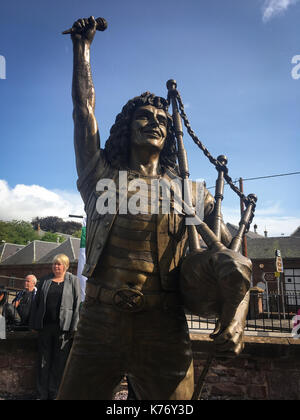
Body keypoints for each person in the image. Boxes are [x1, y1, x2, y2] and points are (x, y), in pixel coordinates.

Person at [57, 17, 251, 400]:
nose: (156, 124)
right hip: (99, 323)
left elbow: (234, 263)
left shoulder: (191, 192)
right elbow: (84, 112)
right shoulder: (100, 175)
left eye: (163, 120)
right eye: (144, 117)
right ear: (127, 128)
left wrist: (237, 320)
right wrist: (83, 50)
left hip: (164, 327)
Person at [30, 254, 80, 400]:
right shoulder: (45, 280)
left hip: (63, 328)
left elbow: (77, 304)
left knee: (59, 363)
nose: (56, 267)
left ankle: (55, 394)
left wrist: (74, 326)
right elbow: (36, 303)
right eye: (54, 264)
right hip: (45, 327)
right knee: (43, 362)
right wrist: (33, 323)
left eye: (59, 264)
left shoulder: (73, 281)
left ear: (65, 266)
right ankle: (41, 394)